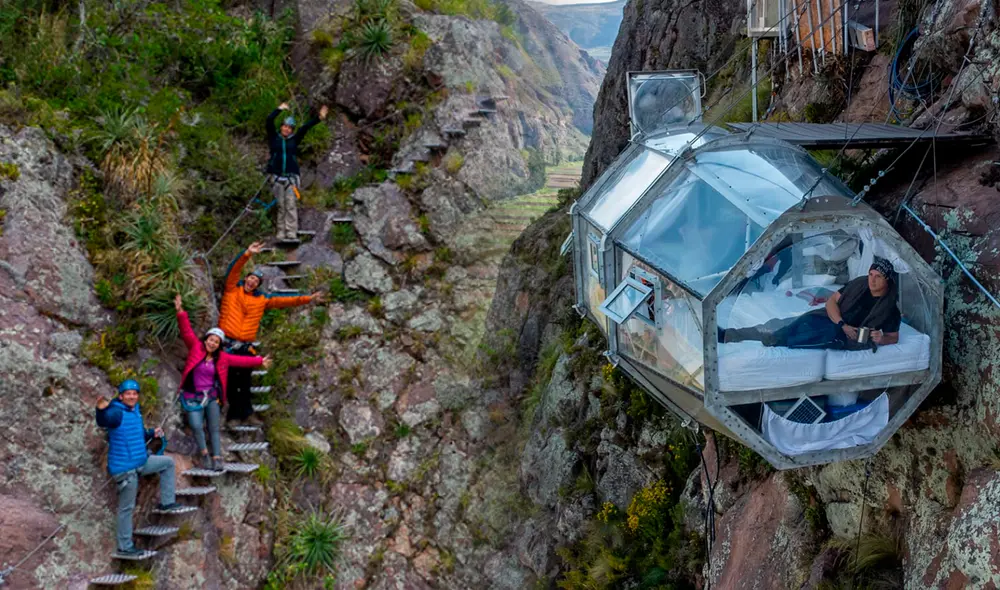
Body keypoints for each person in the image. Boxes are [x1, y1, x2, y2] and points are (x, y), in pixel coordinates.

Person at [218, 242, 325, 421]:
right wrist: (247, 254)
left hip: (244, 345)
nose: (252, 282)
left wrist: (308, 299)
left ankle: (241, 413)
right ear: (246, 278)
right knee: (227, 379)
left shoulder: (262, 299)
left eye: (256, 281)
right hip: (227, 342)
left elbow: (285, 300)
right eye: (251, 278)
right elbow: (233, 270)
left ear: (259, 285)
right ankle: (229, 411)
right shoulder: (232, 289)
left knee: (244, 381)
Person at [174, 295, 272, 470]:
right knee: (196, 425)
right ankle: (205, 453)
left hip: (211, 396)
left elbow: (240, 361)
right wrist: (180, 311)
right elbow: (186, 330)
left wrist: (259, 361)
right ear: (206, 340)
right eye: (210, 339)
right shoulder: (196, 348)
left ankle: (217, 457)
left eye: (216, 341)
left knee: (213, 427)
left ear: (220, 345)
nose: (212, 343)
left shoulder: (223, 358)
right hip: (192, 394)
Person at [720, 257, 901, 351]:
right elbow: (831, 302)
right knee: (784, 323)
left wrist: (881, 339)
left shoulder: (889, 308)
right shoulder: (859, 284)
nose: (872, 280)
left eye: (878, 277)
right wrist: (842, 324)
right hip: (834, 321)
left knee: (817, 334)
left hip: (846, 337)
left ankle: (778, 339)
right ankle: (731, 335)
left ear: (888, 280)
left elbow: (894, 336)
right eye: (871, 275)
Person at [96, 380, 180, 556]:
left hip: (140, 462)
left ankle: (167, 503)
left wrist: (151, 433)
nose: (132, 396)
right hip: (126, 469)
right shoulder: (116, 411)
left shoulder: (134, 411)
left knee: (167, 463)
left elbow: (137, 433)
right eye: (128, 393)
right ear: (121, 396)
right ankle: (125, 547)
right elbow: (105, 420)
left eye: (134, 393)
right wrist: (101, 409)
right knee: (127, 508)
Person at [266, 102, 329, 241]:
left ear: (292, 130)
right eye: (285, 126)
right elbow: (269, 120)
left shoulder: (295, 139)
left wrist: (319, 118)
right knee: (281, 205)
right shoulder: (274, 138)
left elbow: (305, 128)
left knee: (290, 204)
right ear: (281, 127)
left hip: (291, 177)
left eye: (290, 128)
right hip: (276, 177)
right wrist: (279, 109)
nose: (287, 129)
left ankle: (291, 232)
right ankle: (281, 232)